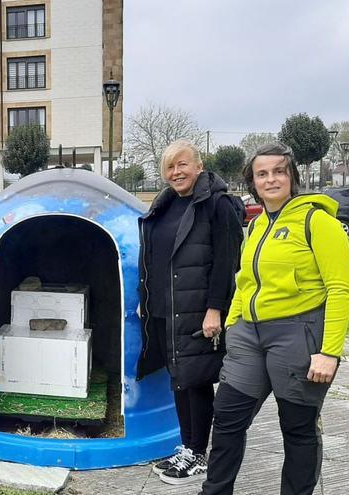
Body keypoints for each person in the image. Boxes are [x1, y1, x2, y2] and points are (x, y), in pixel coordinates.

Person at [200, 143, 349, 495]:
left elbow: (340, 289)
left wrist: (329, 352)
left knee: (297, 428)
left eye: (279, 171)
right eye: (262, 173)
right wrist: (235, 322)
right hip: (248, 338)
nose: (271, 179)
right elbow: (244, 280)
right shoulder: (254, 226)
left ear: (292, 176)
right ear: (253, 182)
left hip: (298, 336)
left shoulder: (319, 222)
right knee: (226, 419)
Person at [137, 139, 244, 485]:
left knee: (196, 380)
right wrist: (147, 297)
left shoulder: (218, 205)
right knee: (180, 380)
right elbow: (153, 259)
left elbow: (227, 263)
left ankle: (197, 454)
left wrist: (216, 310)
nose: (176, 172)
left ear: (199, 166)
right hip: (169, 311)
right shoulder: (164, 206)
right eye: (170, 167)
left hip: (199, 311)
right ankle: (187, 447)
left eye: (183, 164)